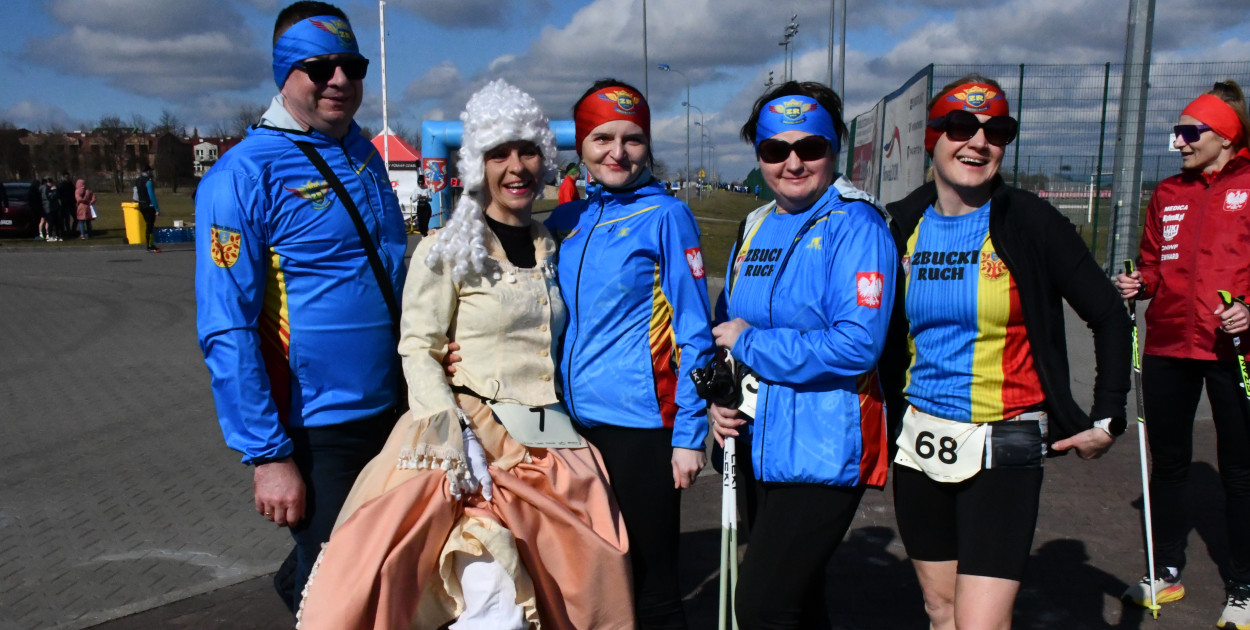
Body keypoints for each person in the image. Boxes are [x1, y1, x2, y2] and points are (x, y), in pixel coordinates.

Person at [298, 78, 633, 630]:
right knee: (491, 605)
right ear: (478, 165)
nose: (516, 167)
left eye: (527, 151)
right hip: (470, 445)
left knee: (569, 596)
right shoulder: (446, 248)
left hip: (555, 451)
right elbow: (418, 348)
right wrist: (456, 435)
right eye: (499, 153)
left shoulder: (557, 243)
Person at [881, 74, 1130, 630]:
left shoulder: (1029, 220)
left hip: (1005, 443)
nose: (978, 142)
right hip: (920, 441)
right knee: (939, 610)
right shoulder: (902, 222)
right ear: (934, 137)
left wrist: (1109, 414)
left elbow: (1109, 313)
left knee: (981, 625)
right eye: (961, 127)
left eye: (997, 131)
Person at [194, 1, 406, 615]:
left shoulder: (364, 153)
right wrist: (268, 455)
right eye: (320, 68)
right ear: (284, 73)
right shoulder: (243, 175)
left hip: (394, 406)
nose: (340, 80)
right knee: (346, 597)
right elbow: (225, 326)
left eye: (352, 65)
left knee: (390, 559)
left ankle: (300, 579)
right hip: (318, 429)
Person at [706, 80, 896, 629]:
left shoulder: (857, 225)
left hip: (824, 447)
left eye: (810, 147)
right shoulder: (757, 222)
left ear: (833, 148)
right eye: (775, 150)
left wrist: (750, 342)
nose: (793, 162)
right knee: (799, 600)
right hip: (756, 439)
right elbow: (729, 325)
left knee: (762, 604)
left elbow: (857, 343)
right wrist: (723, 395)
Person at [545, 79, 716, 629]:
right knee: (592, 574)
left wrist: (689, 434)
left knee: (653, 583)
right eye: (602, 139)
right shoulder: (567, 222)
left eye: (633, 139)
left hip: (642, 429)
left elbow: (695, 333)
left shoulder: (666, 216)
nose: (618, 153)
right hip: (573, 428)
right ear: (580, 146)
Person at [1115, 81, 1250, 629]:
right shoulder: (1169, 192)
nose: (1180, 143)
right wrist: (1137, 282)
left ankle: (1242, 586)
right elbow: (1154, 265)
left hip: (1232, 347)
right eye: (1177, 133)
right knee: (1166, 464)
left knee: (1240, 471)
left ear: (1225, 136)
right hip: (1170, 343)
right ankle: (1165, 570)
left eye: (1190, 133)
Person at [135, 164, 160, 252]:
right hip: (149, 205)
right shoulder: (148, 181)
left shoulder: (137, 180)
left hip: (141, 205)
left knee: (147, 224)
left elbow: (135, 194)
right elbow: (151, 195)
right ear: (148, 171)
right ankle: (150, 245)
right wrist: (157, 208)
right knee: (150, 226)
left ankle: (149, 244)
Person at [39, 178, 61, 242]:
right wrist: (54, 191)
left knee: (55, 222)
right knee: (50, 222)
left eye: (51, 182)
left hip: (53, 207)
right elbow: (50, 197)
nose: (50, 183)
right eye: (49, 182)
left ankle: (56, 235)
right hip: (48, 208)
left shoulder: (48, 189)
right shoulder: (46, 189)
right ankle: (50, 236)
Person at [57, 171, 75, 238]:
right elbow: (59, 194)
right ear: (63, 177)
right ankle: (67, 231)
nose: (67, 178)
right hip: (65, 204)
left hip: (71, 203)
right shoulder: (61, 184)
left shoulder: (70, 184)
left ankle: (71, 231)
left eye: (68, 176)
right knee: (66, 219)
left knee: (75, 218)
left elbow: (73, 192)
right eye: (66, 177)